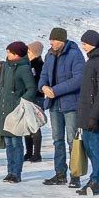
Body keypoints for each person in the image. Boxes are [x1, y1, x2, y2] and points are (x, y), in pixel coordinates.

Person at [37, 28, 85, 187]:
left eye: (55, 40)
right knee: (57, 139)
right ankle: (60, 173)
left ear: (62, 40)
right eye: (51, 40)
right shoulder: (49, 54)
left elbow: (79, 79)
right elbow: (43, 75)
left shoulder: (75, 54)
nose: (51, 42)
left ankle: (75, 175)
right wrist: (43, 86)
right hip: (54, 104)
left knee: (72, 140)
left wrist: (55, 90)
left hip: (70, 103)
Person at [0, 41, 39, 183]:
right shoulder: (6, 66)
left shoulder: (24, 68)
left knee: (16, 142)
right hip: (4, 109)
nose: (7, 54)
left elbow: (32, 88)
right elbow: (0, 84)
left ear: (17, 54)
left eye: (9, 52)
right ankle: (9, 171)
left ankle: (16, 173)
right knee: (8, 143)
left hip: (16, 111)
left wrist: (22, 101)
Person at [76, 30, 99, 195]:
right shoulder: (91, 60)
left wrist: (94, 116)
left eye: (85, 43)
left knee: (94, 146)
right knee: (88, 147)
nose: (83, 46)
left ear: (92, 43)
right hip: (86, 111)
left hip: (94, 114)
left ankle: (96, 179)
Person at [25, 41, 44, 163]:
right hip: (28, 97)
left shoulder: (39, 65)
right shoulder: (28, 64)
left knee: (35, 125)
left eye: (29, 51)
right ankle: (28, 152)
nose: (27, 53)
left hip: (37, 97)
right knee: (27, 125)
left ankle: (37, 153)